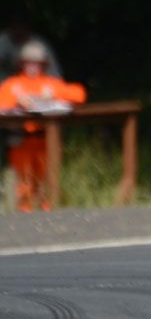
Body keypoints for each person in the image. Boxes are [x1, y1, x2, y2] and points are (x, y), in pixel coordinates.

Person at [0, 41, 86, 212]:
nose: (32, 67)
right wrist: (17, 100)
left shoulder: (50, 83)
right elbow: (2, 102)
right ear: (22, 64)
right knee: (24, 182)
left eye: (37, 63)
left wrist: (53, 94)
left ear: (43, 65)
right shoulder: (13, 84)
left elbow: (79, 94)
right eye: (28, 63)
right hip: (22, 141)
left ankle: (48, 213)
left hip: (46, 141)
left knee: (47, 180)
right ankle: (24, 213)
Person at [0, 14, 62, 81]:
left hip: (40, 82)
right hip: (8, 81)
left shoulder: (40, 44)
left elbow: (55, 74)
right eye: (15, 25)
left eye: (21, 26)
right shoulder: (3, 39)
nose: (18, 29)